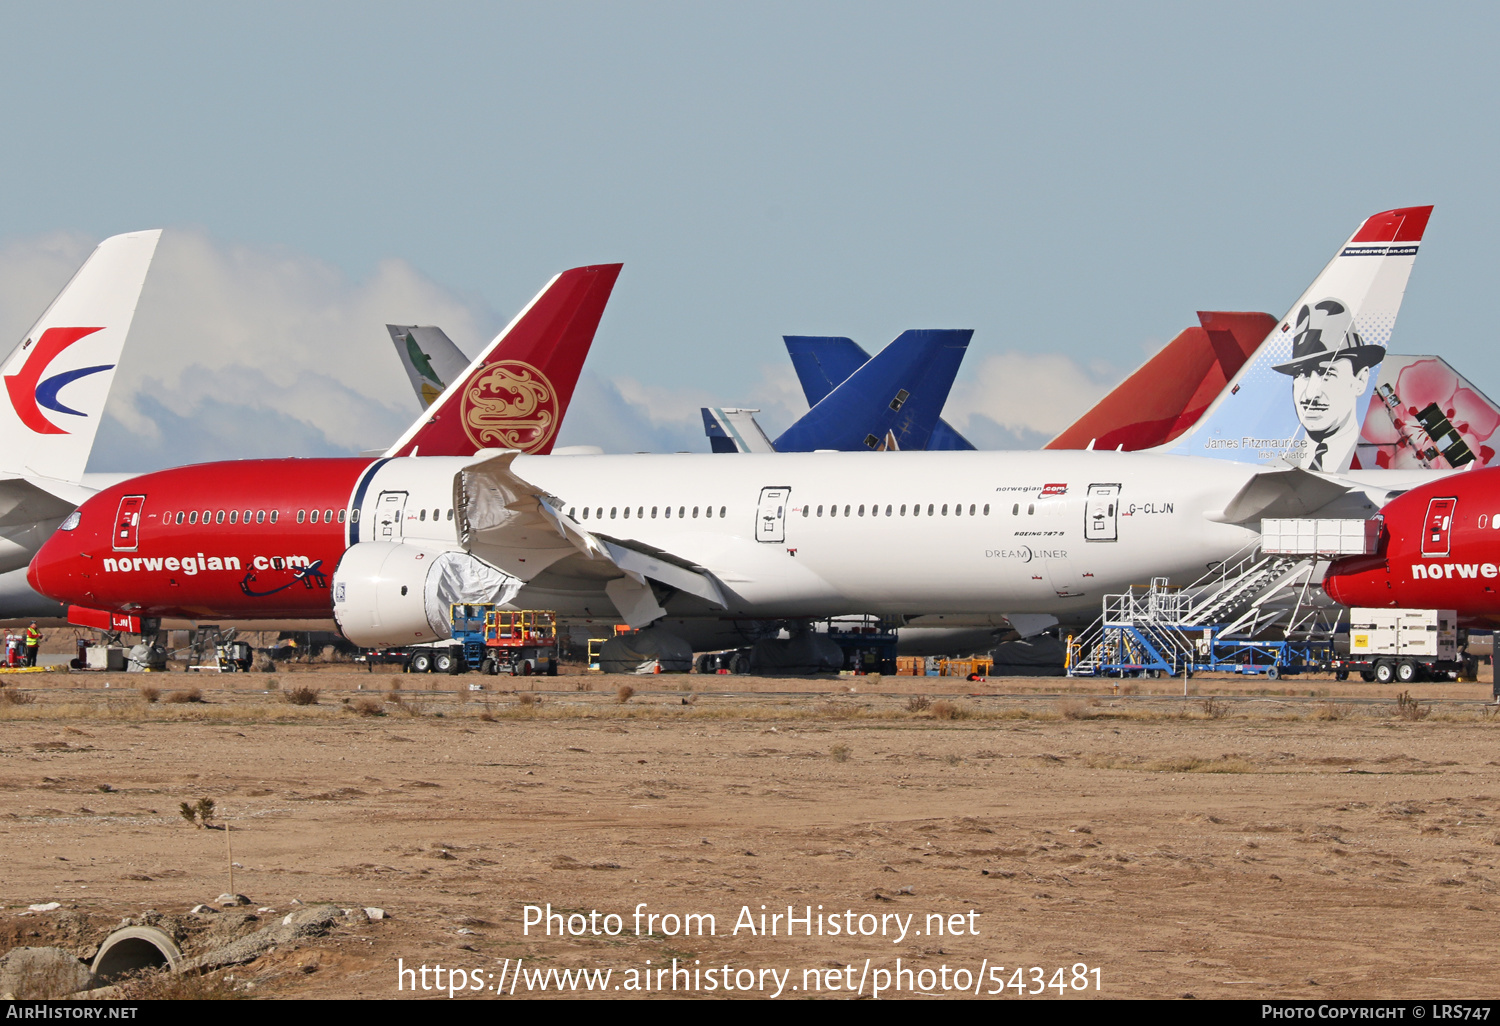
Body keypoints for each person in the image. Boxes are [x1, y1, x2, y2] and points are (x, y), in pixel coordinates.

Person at [1272, 298, 1385, 471]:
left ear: (1361, 380)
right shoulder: (1274, 466)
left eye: (1326, 373)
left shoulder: (1379, 464)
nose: (1310, 394)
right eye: (1301, 373)